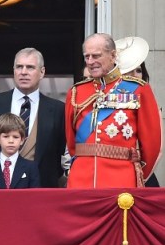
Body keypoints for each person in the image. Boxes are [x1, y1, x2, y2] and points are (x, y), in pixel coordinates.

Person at [65, 33, 161, 188]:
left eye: (96, 56)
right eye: (87, 56)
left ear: (113, 55)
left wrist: (136, 173)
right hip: (80, 179)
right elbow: (71, 143)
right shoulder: (76, 92)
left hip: (121, 179)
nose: (90, 62)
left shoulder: (138, 89)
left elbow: (151, 145)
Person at [0, 47, 66, 188]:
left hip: (41, 190)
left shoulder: (58, 109)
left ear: (42, 72)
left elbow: (60, 153)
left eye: (30, 67)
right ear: (13, 71)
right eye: (19, 67)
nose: (23, 72)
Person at [115, 36, 160, 187]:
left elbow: (156, 148)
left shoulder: (148, 103)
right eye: (128, 70)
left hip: (139, 176)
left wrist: (140, 178)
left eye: (139, 71)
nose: (134, 75)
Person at [0, 113, 40, 189]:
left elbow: (35, 196)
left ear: (22, 140)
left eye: (15, 137)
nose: (11, 141)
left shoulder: (31, 168)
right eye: (6, 136)